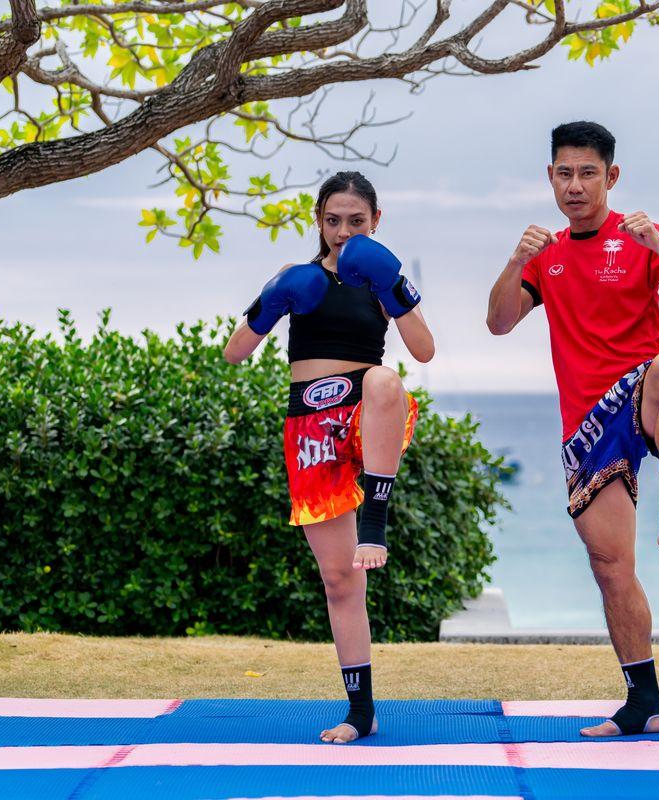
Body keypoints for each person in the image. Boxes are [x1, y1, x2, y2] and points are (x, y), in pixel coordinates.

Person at [486, 121, 659, 737]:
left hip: (641, 392)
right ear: (550, 178)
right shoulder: (546, 254)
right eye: (564, 173)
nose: (575, 185)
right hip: (587, 424)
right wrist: (516, 261)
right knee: (611, 566)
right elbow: (499, 324)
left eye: (588, 173)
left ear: (611, 177)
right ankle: (644, 703)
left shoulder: (639, 237)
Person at [224, 171, 434, 744]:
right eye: (333, 220)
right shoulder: (298, 277)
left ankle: (376, 520)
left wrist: (396, 287)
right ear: (318, 219)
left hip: (368, 418)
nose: (343, 232)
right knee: (340, 582)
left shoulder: (381, 280)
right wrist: (270, 300)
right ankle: (360, 711)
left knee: (385, 379)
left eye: (356, 221)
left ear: (375, 221)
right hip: (311, 429)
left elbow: (424, 350)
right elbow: (235, 353)